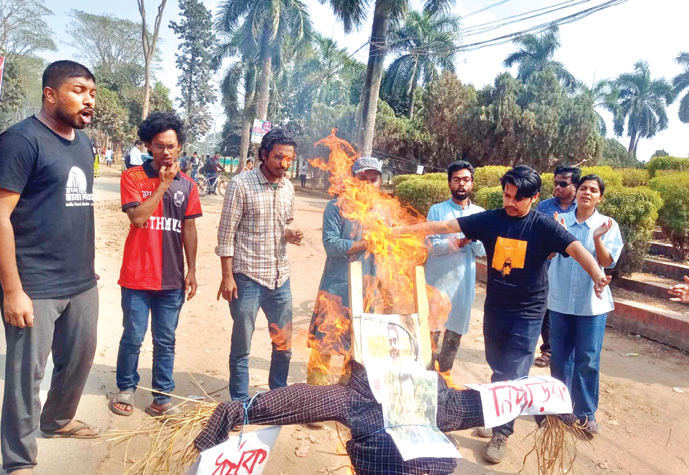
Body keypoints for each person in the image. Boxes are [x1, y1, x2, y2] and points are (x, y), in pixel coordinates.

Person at [392, 165, 611, 464]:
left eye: (516, 198)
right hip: (496, 307)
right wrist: (401, 230)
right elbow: (444, 228)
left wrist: (598, 275)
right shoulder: (492, 218)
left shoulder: (543, 225)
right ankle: (497, 412)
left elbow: (576, 249)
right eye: (506, 195)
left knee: (514, 372)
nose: (509, 202)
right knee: (497, 367)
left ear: (533, 197)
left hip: (528, 311)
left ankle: (502, 433)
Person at [0, 60, 100, 475]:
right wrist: (12, 290)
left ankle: (58, 420)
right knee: (26, 376)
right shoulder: (21, 141)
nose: (89, 100)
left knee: (79, 358)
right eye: (79, 90)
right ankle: (18, 459)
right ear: (50, 94)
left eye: (92, 93)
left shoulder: (83, 143)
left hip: (81, 280)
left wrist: (88, 271)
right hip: (35, 283)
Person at [110, 112, 202, 417]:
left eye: (172, 146)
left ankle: (162, 397)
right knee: (133, 337)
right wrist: (162, 186)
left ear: (179, 147)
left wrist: (192, 270)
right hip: (137, 277)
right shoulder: (132, 177)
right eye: (160, 146)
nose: (166, 152)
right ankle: (126, 387)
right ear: (149, 145)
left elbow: (189, 228)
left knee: (166, 340)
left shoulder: (188, 185)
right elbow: (137, 218)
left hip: (172, 279)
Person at [216, 129, 304, 401]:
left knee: (284, 344)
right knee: (242, 346)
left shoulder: (288, 187)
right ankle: (240, 403)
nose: (284, 164)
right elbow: (226, 234)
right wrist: (227, 277)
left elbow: (283, 225)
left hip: (280, 279)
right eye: (278, 157)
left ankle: (277, 395)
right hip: (247, 278)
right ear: (264, 155)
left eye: (289, 159)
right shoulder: (240, 184)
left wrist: (290, 235)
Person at [548, 175, 623, 436]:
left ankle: (585, 414)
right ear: (575, 192)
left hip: (592, 305)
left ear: (600, 197)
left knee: (587, 359)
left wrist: (598, 237)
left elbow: (608, 261)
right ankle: (559, 408)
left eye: (593, 190)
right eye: (583, 188)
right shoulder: (560, 222)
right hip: (559, 301)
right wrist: (558, 234)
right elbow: (548, 254)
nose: (587, 193)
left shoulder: (608, 225)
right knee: (559, 358)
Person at [306, 156, 380, 385]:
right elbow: (332, 245)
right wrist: (365, 244)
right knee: (324, 344)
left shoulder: (382, 211)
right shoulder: (336, 206)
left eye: (373, 179)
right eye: (362, 178)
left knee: (358, 348)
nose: (367, 183)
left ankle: (345, 400)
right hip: (337, 287)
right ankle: (314, 401)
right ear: (352, 179)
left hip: (368, 288)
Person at [425, 161, 485, 383]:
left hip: (462, 285)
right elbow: (430, 245)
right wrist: (461, 240)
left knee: (454, 334)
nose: (461, 184)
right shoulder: (437, 211)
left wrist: (473, 238)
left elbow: (481, 249)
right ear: (449, 182)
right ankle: (425, 377)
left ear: (472, 183)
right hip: (436, 282)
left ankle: (444, 378)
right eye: (457, 179)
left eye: (466, 179)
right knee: (430, 332)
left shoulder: (480, 214)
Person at [534, 166, 581, 368]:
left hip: (572, 269)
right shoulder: (544, 207)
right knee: (545, 310)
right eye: (555, 183)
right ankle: (549, 350)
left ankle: (568, 351)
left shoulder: (582, 209)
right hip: (546, 265)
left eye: (563, 184)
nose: (557, 187)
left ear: (575, 186)